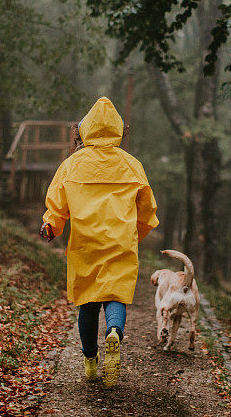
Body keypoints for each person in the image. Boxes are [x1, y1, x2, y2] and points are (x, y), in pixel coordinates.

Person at [40, 96, 158, 386]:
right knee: (115, 296)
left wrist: (51, 228)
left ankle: (91, 362)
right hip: (121, 243)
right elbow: (147, 210)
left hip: (85, 244)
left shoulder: (71, 165)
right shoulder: (132, 166)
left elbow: (57, 206)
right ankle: (114, 332)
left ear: (86, 130)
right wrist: (136, 235)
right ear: (118, 129)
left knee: (88, 304)